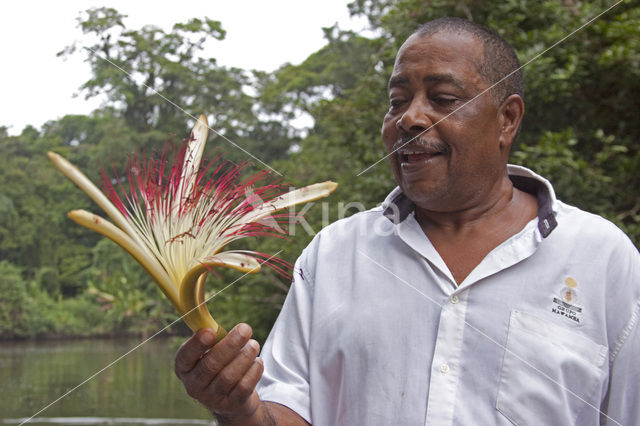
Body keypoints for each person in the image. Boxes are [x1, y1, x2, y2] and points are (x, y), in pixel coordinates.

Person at [174, 17, 640, 425]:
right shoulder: (335, 253)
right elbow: (287, 411)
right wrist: (239, 410)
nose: (410, 118)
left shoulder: (603, 260)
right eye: (398, 101)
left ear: (507, 120)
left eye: (442, 98)